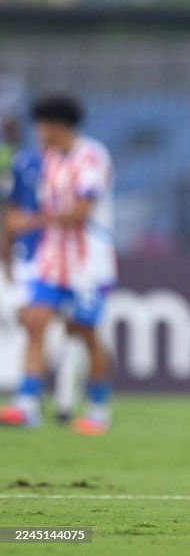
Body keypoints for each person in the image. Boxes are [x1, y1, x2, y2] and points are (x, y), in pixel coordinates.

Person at [0, 95, 117, 435]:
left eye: (41, 125)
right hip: (52, 259)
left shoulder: (91, 156)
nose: (38, 132)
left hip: (87, 263)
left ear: (56, 125)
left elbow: (81, 210)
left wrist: (32, 221)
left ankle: (97, 407)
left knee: (83, 331)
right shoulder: (49, 160)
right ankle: (27, 404)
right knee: (34, 321)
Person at [1, 135, 82, 424]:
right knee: (33, 326)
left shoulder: (79, 163)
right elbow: (11, 216)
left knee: (71, 331)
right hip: (32, 258)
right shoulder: (25, 164)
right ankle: (30, 401)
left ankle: (64, 400)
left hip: (70, 261)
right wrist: (7, 255)